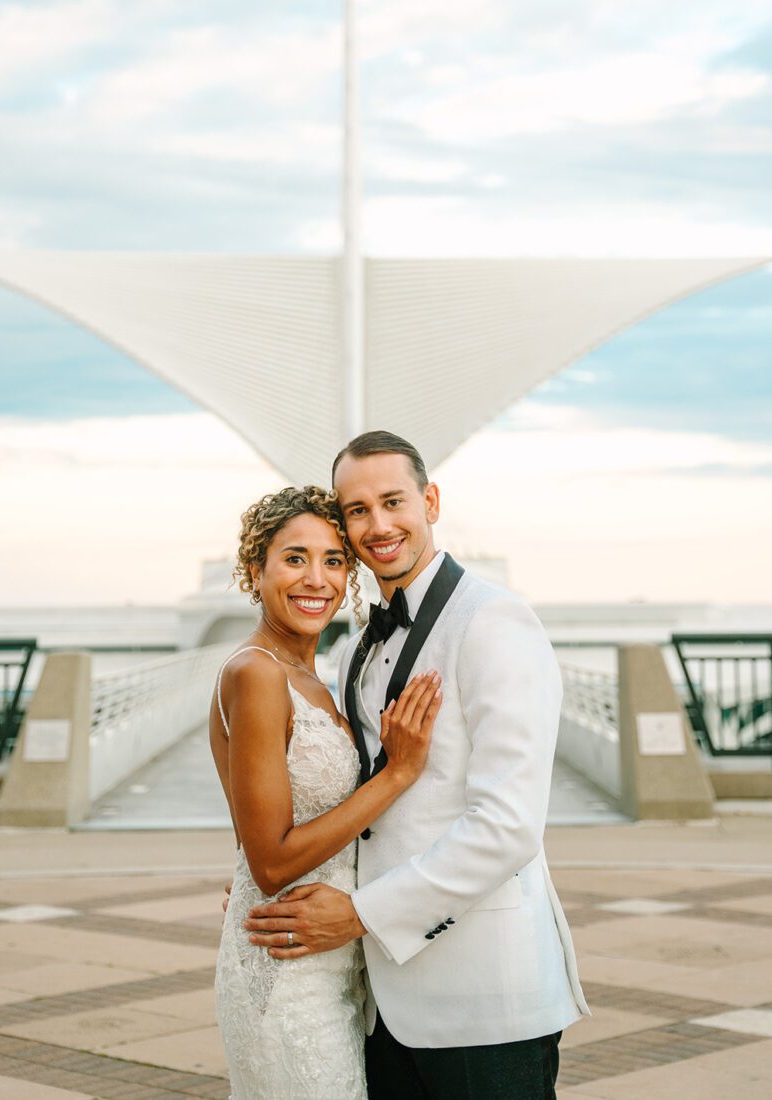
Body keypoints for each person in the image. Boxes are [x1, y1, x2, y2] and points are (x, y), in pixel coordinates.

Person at [244, 432, 589, 1100]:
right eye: (357, 510)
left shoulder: (494, 621)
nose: (378, 525)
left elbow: (509, 826)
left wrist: (361, 914)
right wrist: (278, 883)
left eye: (393, 501)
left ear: (429, 501)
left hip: (483, 996)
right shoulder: (351, 652)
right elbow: (364, 803)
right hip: (384, 1004)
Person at [210, 484, 443, 1099]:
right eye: (294, 558)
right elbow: (269, 861)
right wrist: (397, 773)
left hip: (331, 955)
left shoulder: (313, 678)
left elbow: (254, 831)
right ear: (254, 570)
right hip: (289, 971)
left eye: (334, 561)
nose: (316, 579)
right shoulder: (254, 673)